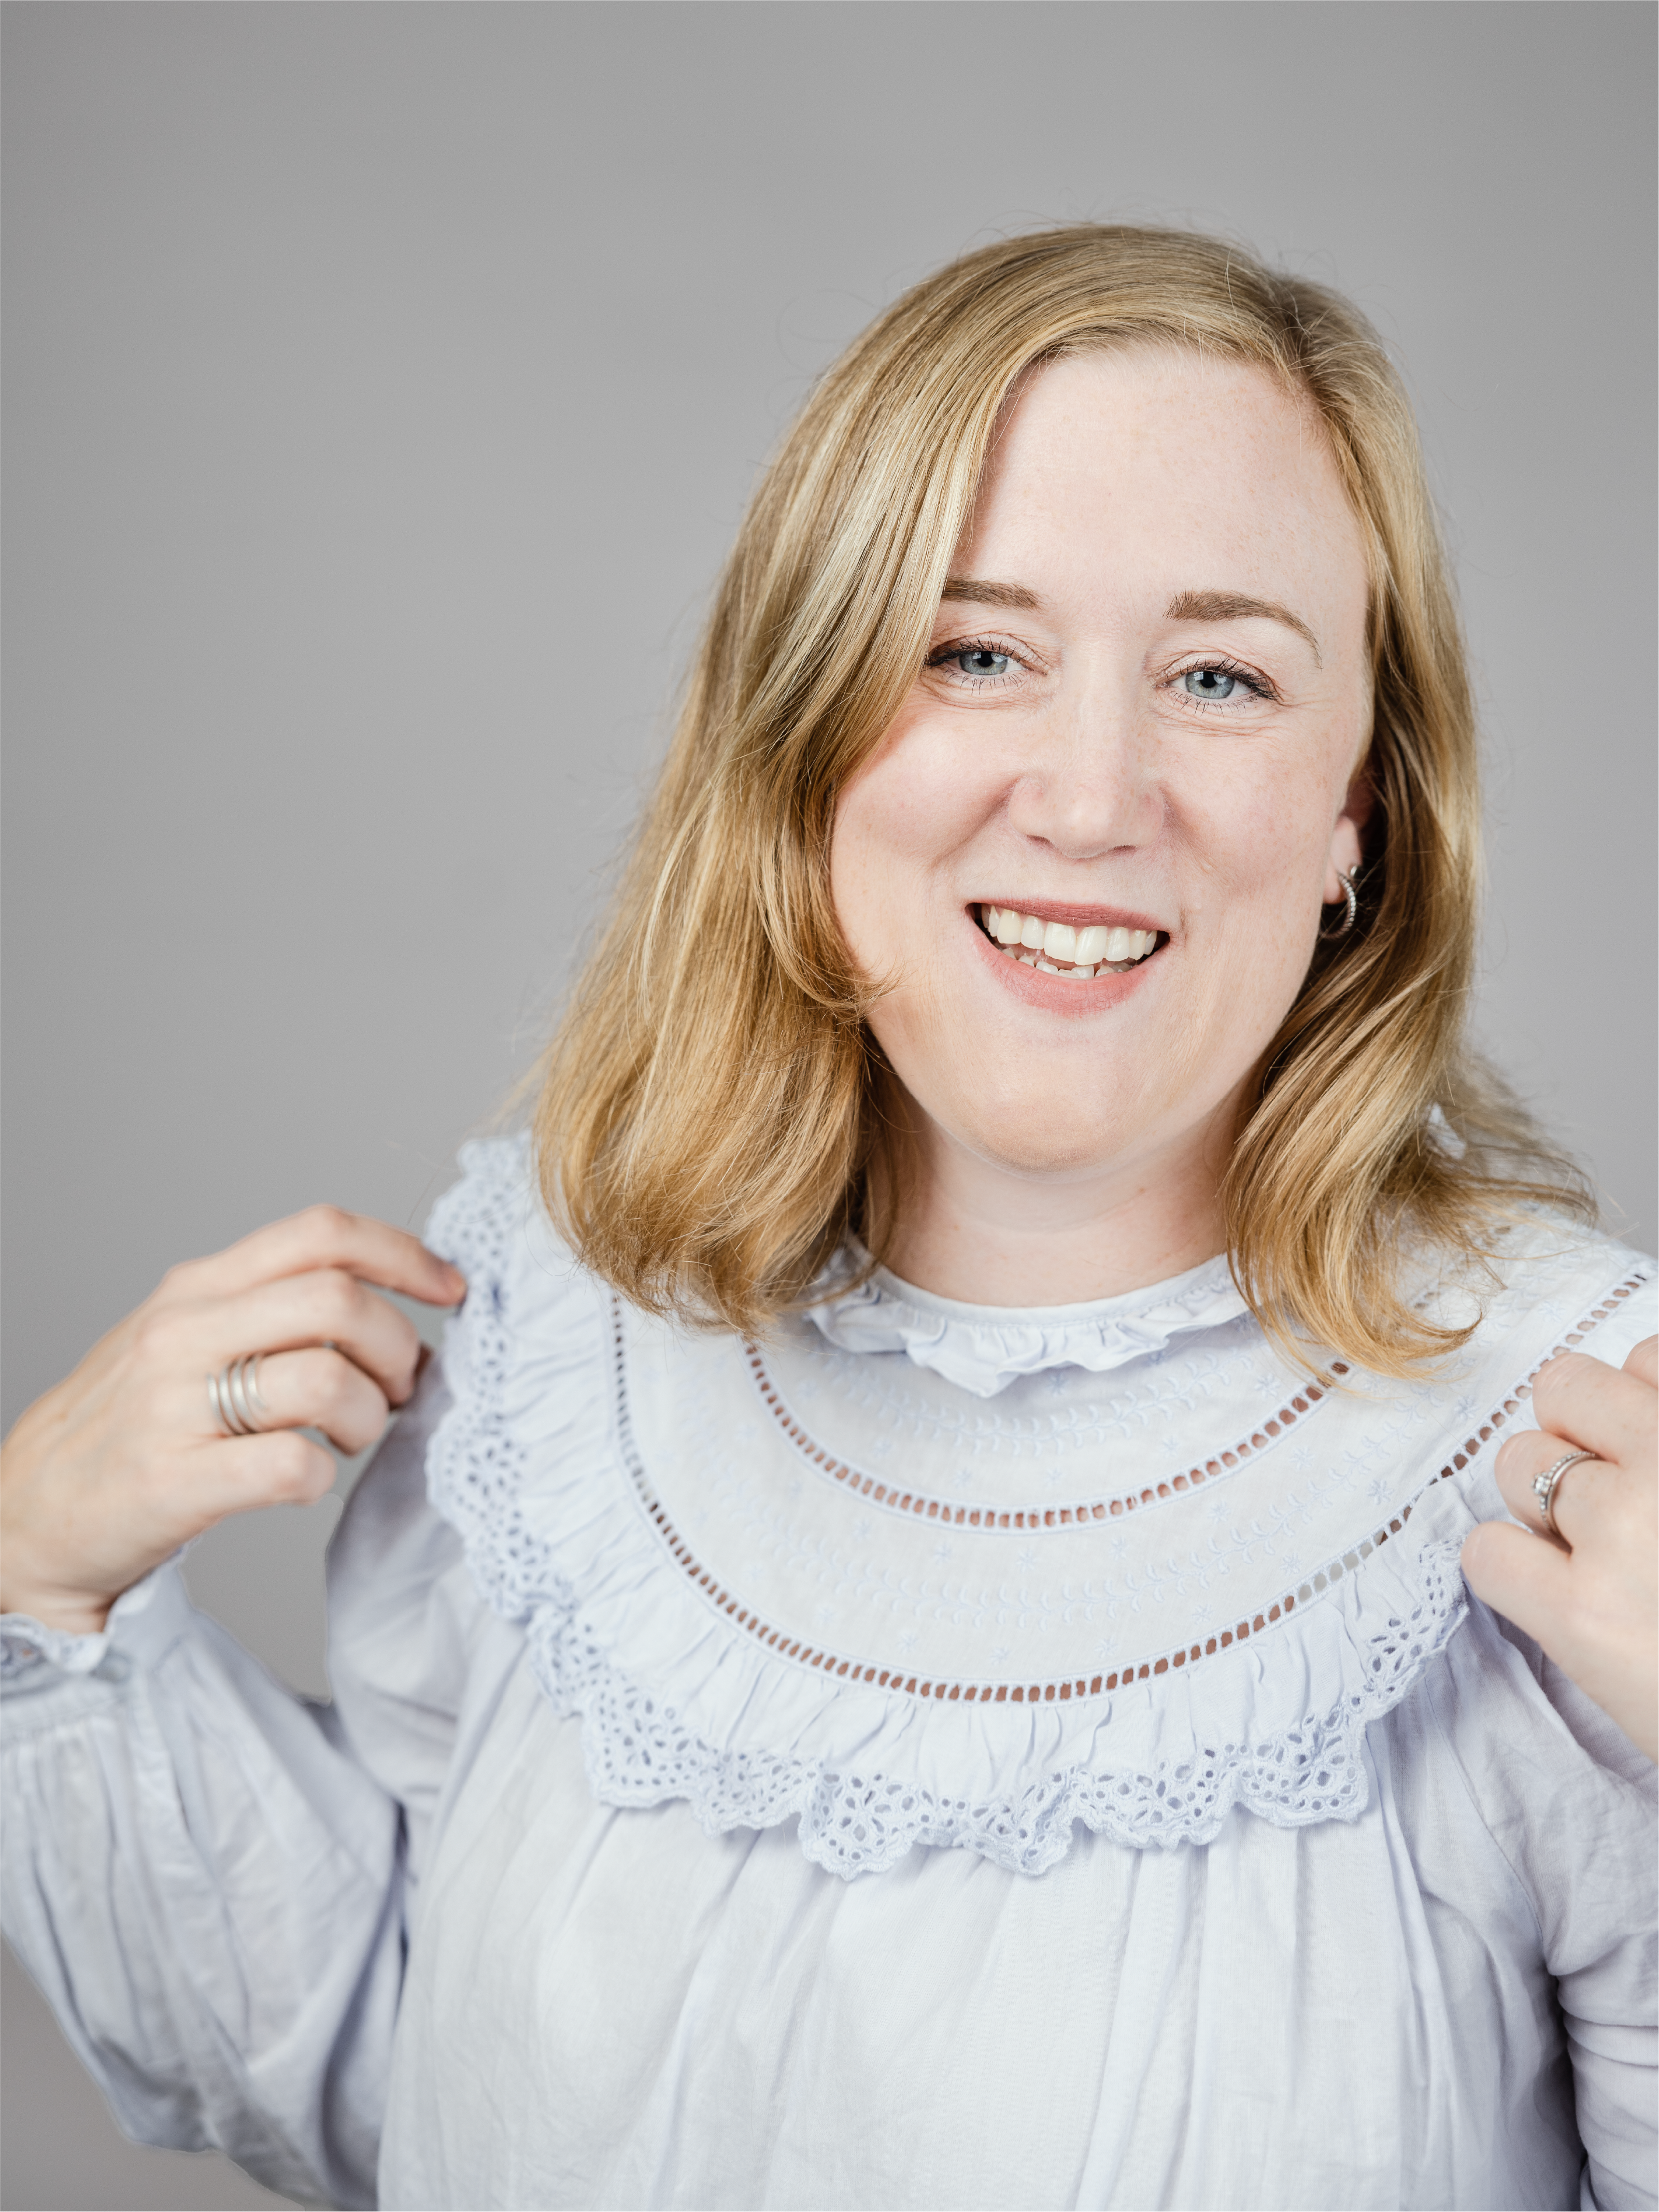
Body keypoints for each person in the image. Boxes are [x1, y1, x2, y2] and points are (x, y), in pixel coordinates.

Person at [1, 224, 1655, 2212]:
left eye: (1221, 674)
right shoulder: (563, 1340)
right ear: (803, 748)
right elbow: (422, 2092)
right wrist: (39, 1584)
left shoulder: (1585, 1470)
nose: (1090, 793)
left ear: (1356, 818)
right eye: (975, 651)